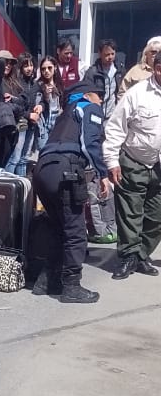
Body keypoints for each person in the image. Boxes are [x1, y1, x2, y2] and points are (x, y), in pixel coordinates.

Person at [32, 72, 110, 304]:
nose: (101, 101)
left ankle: (46, 280)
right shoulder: (88, 108)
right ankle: (72, 287)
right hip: (65, 171)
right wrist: (102, 173)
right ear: (87, 95)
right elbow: (90, 143)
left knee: (59, 227)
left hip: (42, 170)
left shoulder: (64, 113)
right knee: (76, 232)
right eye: (99, 96)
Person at [103, 49, 161, 280]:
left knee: (156, 216)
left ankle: (141, 255)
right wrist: (112, 161)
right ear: (157, 68)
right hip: (133, 161)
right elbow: (116, 127)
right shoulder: (137, 93)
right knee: (130, 213)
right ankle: (128, 257)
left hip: (158, 165)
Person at [84, 40, 122, 244]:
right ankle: (100, 174)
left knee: (110, 149)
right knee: (96, 148)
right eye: (106, 54)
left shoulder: (118, 70)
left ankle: (107, 172)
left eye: (112, 54)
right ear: (100, 54)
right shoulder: (92, 72)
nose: (110, 57)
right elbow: (87, 93)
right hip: (98, 116)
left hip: (112, 116)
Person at [4, 53, 43, 176]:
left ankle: (21, 185)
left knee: (25, 158)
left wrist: (41, 106)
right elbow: (17, 106)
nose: (29, 68)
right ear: (21, 67)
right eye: (26, 66)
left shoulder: (35, 84)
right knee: (16, 156)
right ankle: (7, 183)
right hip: (21, 122)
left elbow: (42, 99)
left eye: (31, 65)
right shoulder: (17, 83)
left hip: (32, 124)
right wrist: (29, 115)